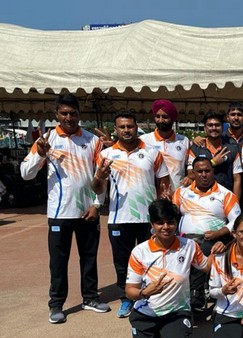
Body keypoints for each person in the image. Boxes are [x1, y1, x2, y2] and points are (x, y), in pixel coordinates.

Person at [20, 93, 110, 323]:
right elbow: (26, 174)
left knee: (88, 258)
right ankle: (56, 304)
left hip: (87, 211)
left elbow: (102, 176)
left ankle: (90, 297)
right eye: (64, 113)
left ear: (79, 115)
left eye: (73, 113)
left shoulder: (92, 140)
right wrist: (39, 154)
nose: (69, 117)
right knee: (58, 262)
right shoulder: (47, 140)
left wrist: (97, 205)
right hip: (60, 214)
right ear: (56, 115)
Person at [92, 110, 170, 318]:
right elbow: (97, 188)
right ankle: (127, 299)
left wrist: (162, 206)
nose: (126, 130)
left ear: (137, 127)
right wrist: (99, 176)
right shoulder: (107, 155)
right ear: (116, 129)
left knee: (151, 259)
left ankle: (150, 298)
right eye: (122, 127)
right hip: (119, 218)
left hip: (148, 220)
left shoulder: (152, 152)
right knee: (123, 262)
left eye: (130, 126)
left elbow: (163, 181)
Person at [126, 199, 208, 338]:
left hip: (176, 312)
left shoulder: (189, 246)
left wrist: (217, 252)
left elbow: (206, 267)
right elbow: (129, 291)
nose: (166, 227)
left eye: (170, 222)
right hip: (146, 314)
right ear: (152, 224)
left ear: (177, 223)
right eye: (159, 222)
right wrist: (144, 292)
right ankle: (153, 335)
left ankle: (170, 334)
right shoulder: (139, 252)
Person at [172, 156, 241, 311]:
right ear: (193, 173)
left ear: (213, 171)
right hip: (183, 238)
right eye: (200, 171)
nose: (204, 174)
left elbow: (236, 221)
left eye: (207, 171)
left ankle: (196, 294)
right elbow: (172, 216)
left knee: (198, 249)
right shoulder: (181, 193)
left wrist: (218, 233)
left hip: (212, 240)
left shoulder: (225, 194)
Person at [188, 111, 243, 200]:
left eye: (217, 125)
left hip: (225, 199)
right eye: (210, 125)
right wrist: (213, 163)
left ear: (222, 127)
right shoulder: (195, 148)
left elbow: (237, 179)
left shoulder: (232, 149)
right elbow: (191, 174)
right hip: (200, 199)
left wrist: (235, 201)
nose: (214, 128)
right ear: (205, 128)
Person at [140, 99, 191, 190]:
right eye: (157, 116)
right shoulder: (144, 140)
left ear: (173, 118)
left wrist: (190, 177)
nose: (160, 120)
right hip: (152, 196)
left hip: (177, 196)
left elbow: (190, 166)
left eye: (165, 117)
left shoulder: (184, 141)